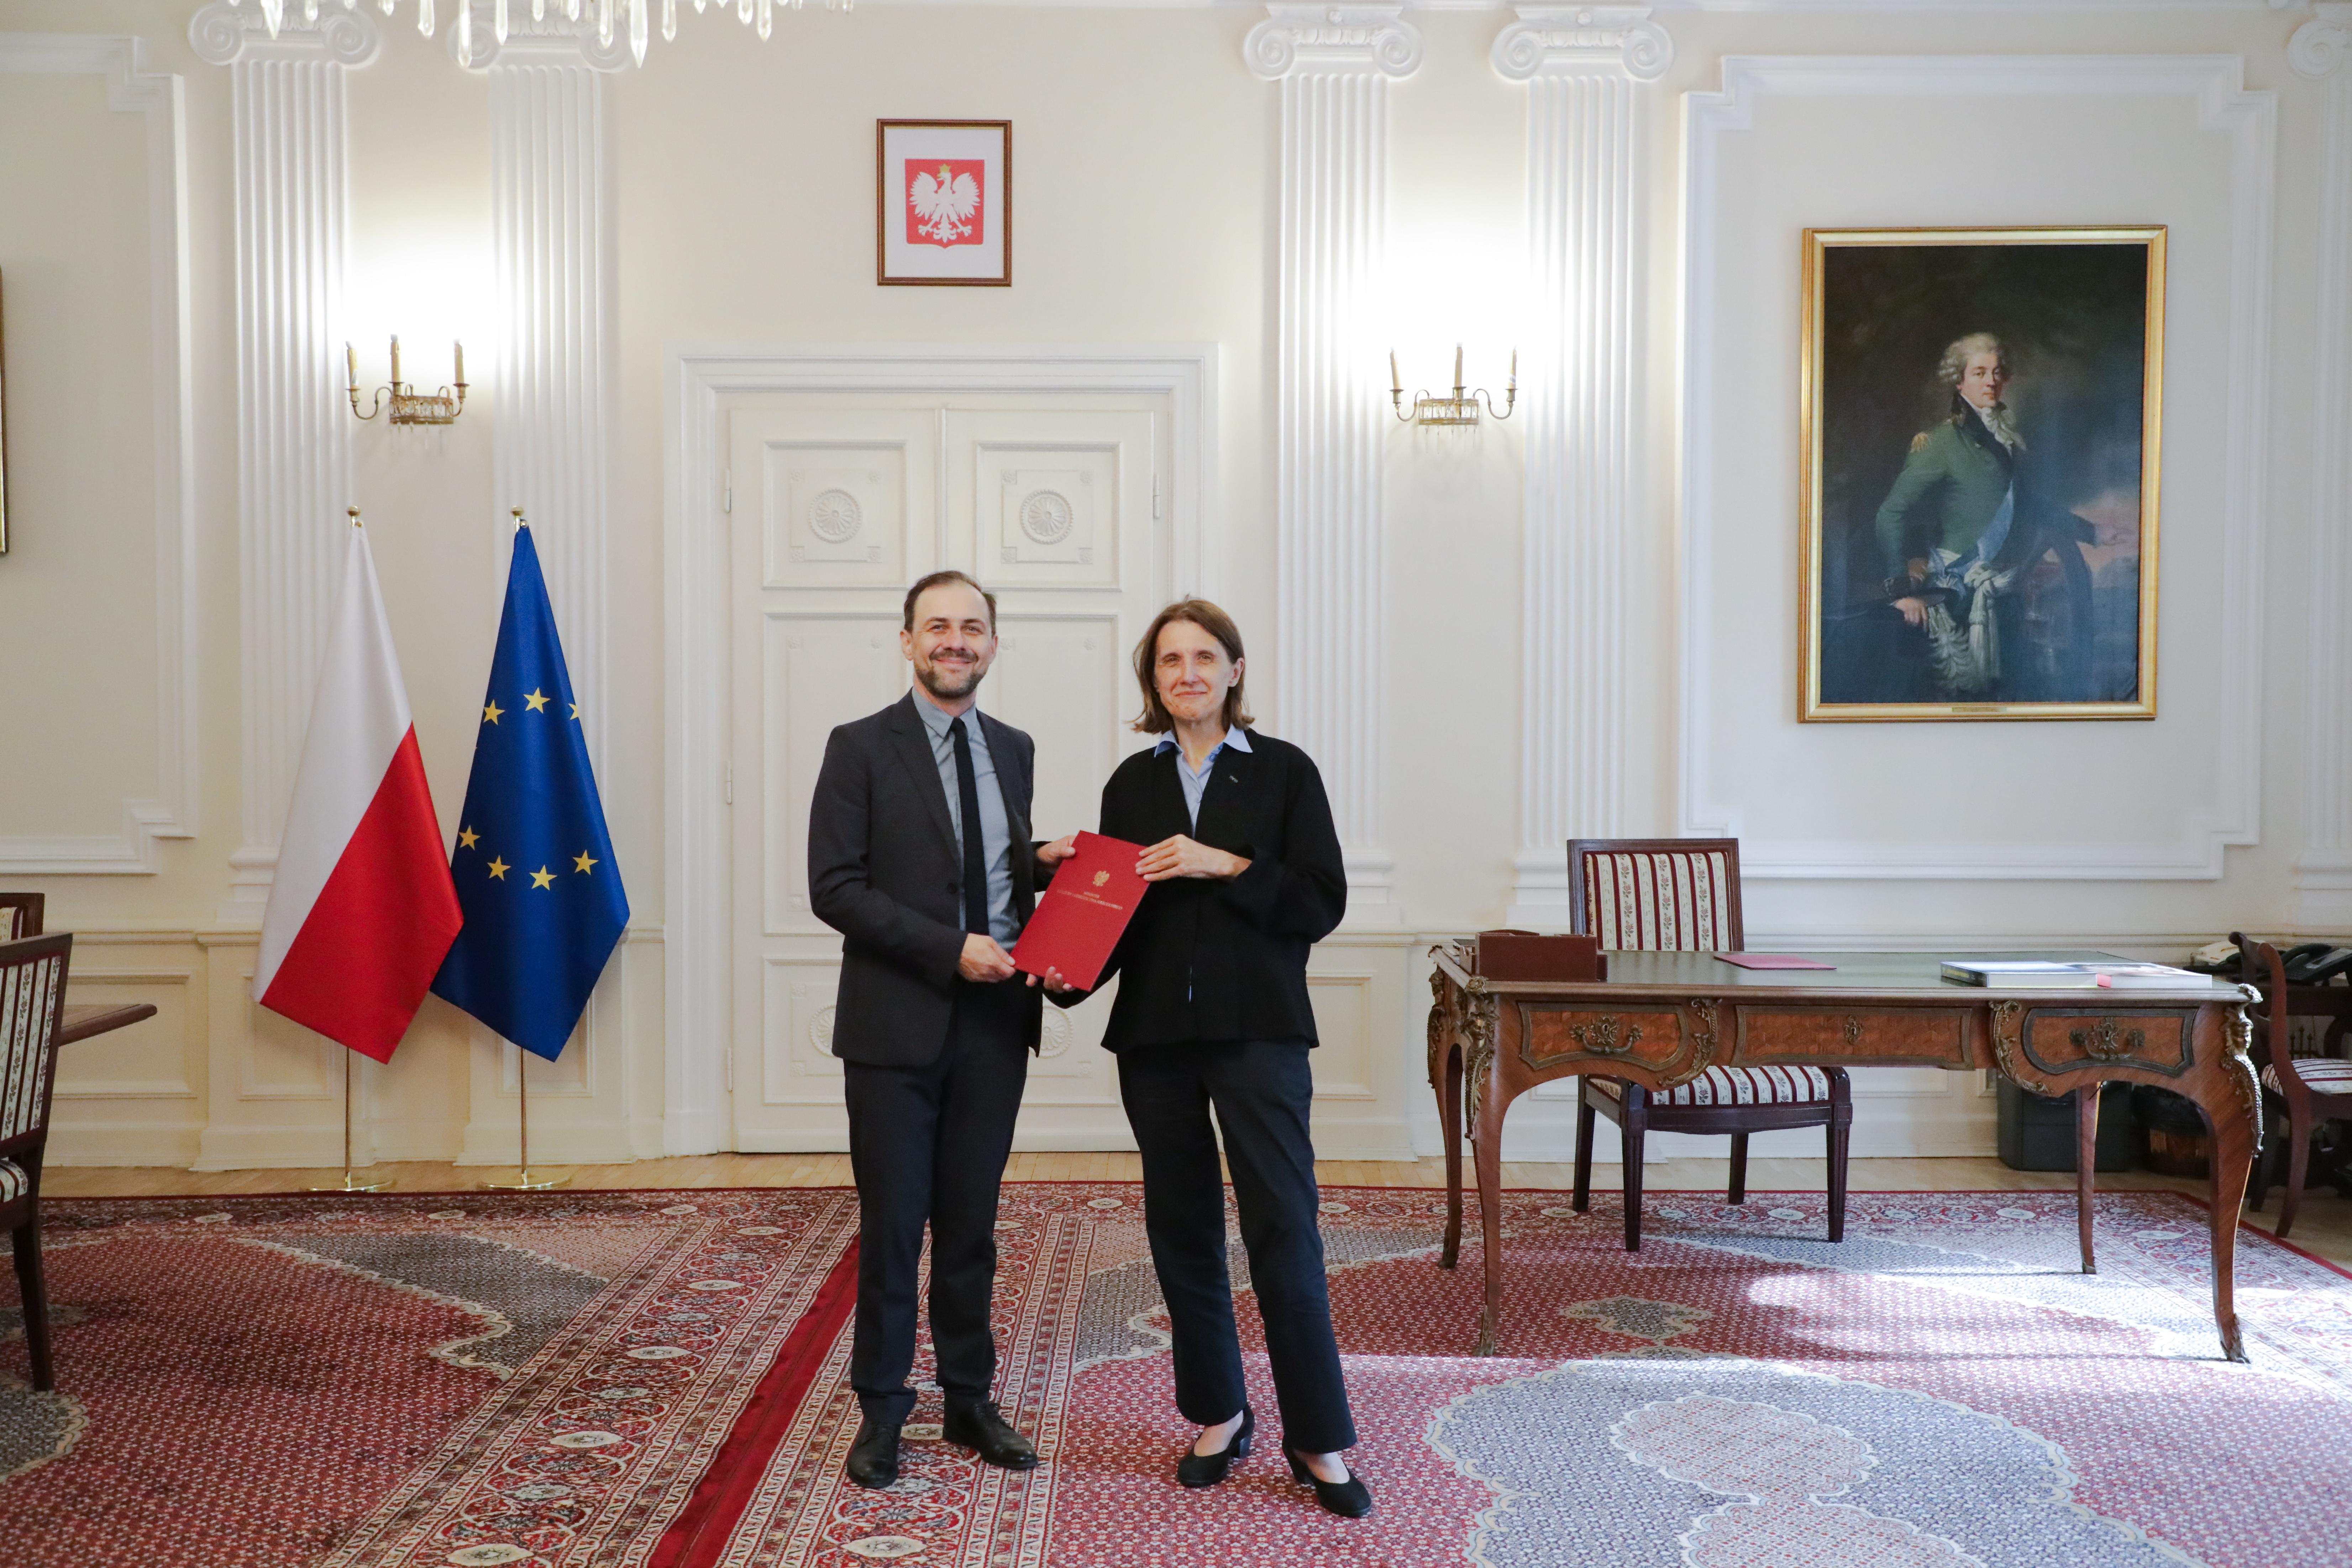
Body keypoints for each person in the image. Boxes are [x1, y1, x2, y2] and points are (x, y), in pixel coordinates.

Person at [1031, 599, 1367, 1517]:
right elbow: (1112, 915)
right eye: (1170, 660)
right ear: (1154, 679)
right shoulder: (1130, 784)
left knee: (1283, 1226)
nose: (1188, 673)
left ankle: (1317, 1434)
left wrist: (1225, 864)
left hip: (1259, 1031)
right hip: (1154, 1040)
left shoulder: (1286, 771)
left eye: (1204, 657)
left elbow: (1321, 902)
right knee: (1180, 1228)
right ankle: (1219, 1412)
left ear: (1234, 670)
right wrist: (1058, 972)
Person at [807, 570, 1078, 1490]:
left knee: (972, 1224)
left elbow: (980, 866)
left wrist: (1046, 863)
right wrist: (948, 948)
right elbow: (835, 886)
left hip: (996, 1022)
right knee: (893, 1225)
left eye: (971, 626)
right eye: (937, 626)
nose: (954, 640)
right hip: (894, 1024)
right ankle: (883, 1408)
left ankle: (969, 1397)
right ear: (908, 640)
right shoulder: (858, 746)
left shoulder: (1013, 747)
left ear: (993, 643)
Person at [1873, 331, 2097, 700]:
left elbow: (2027, 504)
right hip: (1954, 598)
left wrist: (2092, 532)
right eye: (1979, 373)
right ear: (1959, 382)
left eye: (1996, 372)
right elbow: (1891, 512)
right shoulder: (1940, 443)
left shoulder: (2006, 440)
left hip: (2001, 594)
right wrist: (1901, 593)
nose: (1991, 381)